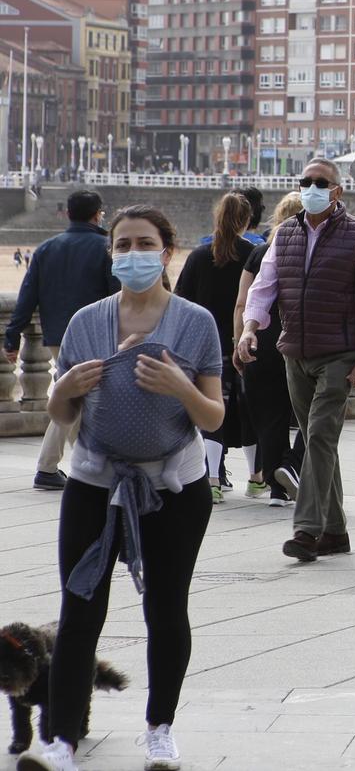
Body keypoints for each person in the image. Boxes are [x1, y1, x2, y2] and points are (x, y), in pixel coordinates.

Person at [33, 206, 224, 771]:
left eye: (145, 244)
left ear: (167, 251)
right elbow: (61, 413)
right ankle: (60, 739)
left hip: (173, 486)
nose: (132, 254)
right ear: (110, 253)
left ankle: (160, 729)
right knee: (80, 607)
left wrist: (179, 387)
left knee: (166, 610)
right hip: (94, 482)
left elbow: (214, 418)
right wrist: (63, 387)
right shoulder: (87, 321)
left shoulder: (195, 322)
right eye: (122, 245)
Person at [237, 158, 355, 563]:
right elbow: (264, 288)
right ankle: (336, 533)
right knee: (322, 441)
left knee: (319, 436)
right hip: (294, 353)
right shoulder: (284, 234)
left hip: (339, 353)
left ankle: (306, 530)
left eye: (321, 182)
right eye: (306, 181)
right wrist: (250, 328)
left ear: (337, 191)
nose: (312, 187)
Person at [5, 189, 115, 492]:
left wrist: (13, 336)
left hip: (56, 335)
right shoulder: (105, 248)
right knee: (79, 398)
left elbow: (27, 297)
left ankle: (78, 464)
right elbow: (117, 297)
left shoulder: (47, 248)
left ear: (67, 213)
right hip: (96, 333)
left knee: (75, 395)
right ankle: (53, 466)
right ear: (97, 214)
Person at [172, 192, 256, 503]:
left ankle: (212, 477)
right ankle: (256, 476)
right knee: (246, 411)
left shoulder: (198, 256)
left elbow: (181, 300)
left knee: (210, 411)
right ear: (246, 220)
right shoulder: (253, 254)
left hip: (204, 345)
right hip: (242, 342)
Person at [229, 190, 306, 507]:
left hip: (259, 342)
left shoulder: (260, 253)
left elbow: (241, 304)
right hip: (295, 343)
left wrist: (239, 342)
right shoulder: (306, 252)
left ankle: (278, 489)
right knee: (307, 417)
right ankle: (289, 470)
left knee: (270, 420)